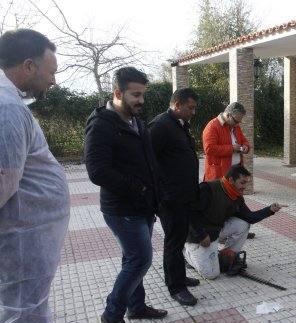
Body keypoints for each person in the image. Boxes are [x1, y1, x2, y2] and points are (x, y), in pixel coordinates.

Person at [85, 67, 167, 323]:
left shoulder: (138, 123)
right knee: (140, 259)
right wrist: (138, 188)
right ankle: (112, 314)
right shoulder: (101, 125)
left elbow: (149, 162)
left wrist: (156, 191)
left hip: (144, 205)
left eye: (142, 94)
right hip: (121, 209)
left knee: (132, 259)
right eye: (135, 95)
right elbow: (97, 171)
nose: (141, 100)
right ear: (118, 93)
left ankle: (137, 307)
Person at [0, 29, 70, 323]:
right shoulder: (8, 109)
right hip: (23, 238)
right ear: (29, 66)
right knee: (23, 312)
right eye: (51, 71)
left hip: (26, 234)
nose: (53, 80)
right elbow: (3, 182)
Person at [183, 164, 287, 279]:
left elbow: (250, 218)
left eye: (246, 183)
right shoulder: (208, 189)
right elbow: (189, 213)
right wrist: (200, 235)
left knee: (243, 224)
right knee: (211, 274)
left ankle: (227, 254)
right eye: (242, 183)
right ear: (231, 180)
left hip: (215, 232)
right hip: (197, 235)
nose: (244, 187)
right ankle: (185, 253)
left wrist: (270, 209)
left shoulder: (236, 196)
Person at [149, 88, 201, 306]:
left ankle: (178, 276)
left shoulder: (179, 124)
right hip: (170, 198)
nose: (193, 112)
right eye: (190, 107)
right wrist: (160, 195)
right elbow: (148, 163)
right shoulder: (160, 126)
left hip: (183, 195)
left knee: (179, 239)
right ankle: (176, 287)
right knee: (173, 242)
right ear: (177, 104)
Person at [202, 102, 250, 181]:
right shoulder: (212, 126)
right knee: (220, 193)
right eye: (236, 121)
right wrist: (231, 149)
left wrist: (246, 146)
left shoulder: (235, 126)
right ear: (228, 115)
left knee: (235, 193)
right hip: (219, 175)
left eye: (239, 122)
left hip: (236, 173)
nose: (237, 124)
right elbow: (209, 149)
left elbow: (244, 141)